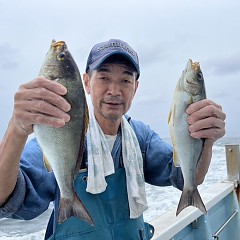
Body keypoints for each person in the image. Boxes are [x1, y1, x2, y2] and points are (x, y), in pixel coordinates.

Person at [0, 39, 226, 240]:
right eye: (104, 77)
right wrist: (16, 129)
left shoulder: (140, 137)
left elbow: (186, 178)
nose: (114, 90)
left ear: (135, 88)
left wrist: (206, 140)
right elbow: (8, 198)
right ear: (86, 83)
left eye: (125, 81)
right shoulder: (60, 134)